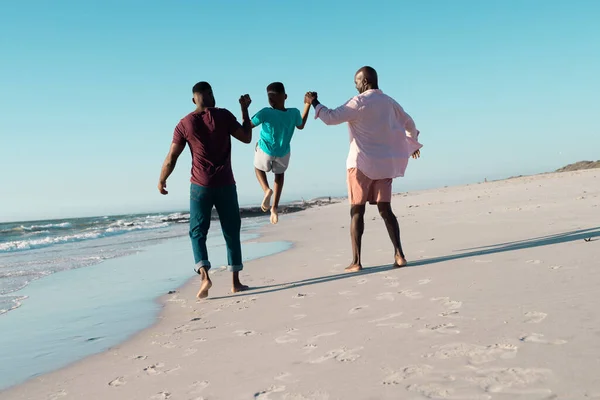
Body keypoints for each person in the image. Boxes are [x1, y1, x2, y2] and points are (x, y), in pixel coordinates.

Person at [305, 66, 422, 272]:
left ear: (365, 82)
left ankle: (356, 261)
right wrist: (412, 143)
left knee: (357, 211)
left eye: (357, 82)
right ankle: (399, 254)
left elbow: (331, 117)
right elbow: (410, 123)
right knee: (386, 210)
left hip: (360, 164)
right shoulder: (390, 102)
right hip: (385, 166)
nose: (355, 85)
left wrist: (314, 102)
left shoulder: (359, 102)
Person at [158, 81, 253, 298]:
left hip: (200, 185)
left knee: (198, 232)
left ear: (194, 99)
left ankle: (204, 276)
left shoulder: (184, 123)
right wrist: (245, 111)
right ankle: (235, 282)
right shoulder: (224, 116)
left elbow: (172, 157)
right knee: (231, 231)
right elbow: (247, 138)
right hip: (226, 184)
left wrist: (162, 179)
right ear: (210, 96)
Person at [250, 82, 310, 224]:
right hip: (283, 153)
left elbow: (248, 124)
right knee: (279, 175)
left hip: (266, 150)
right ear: (285, 96)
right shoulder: (294, 112)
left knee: (258, 168)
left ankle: (266, 190)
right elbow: (301, 125)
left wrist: (244, 109)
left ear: (269, 100)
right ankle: (275, 208)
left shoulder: (266, 112)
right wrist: (307, 105)